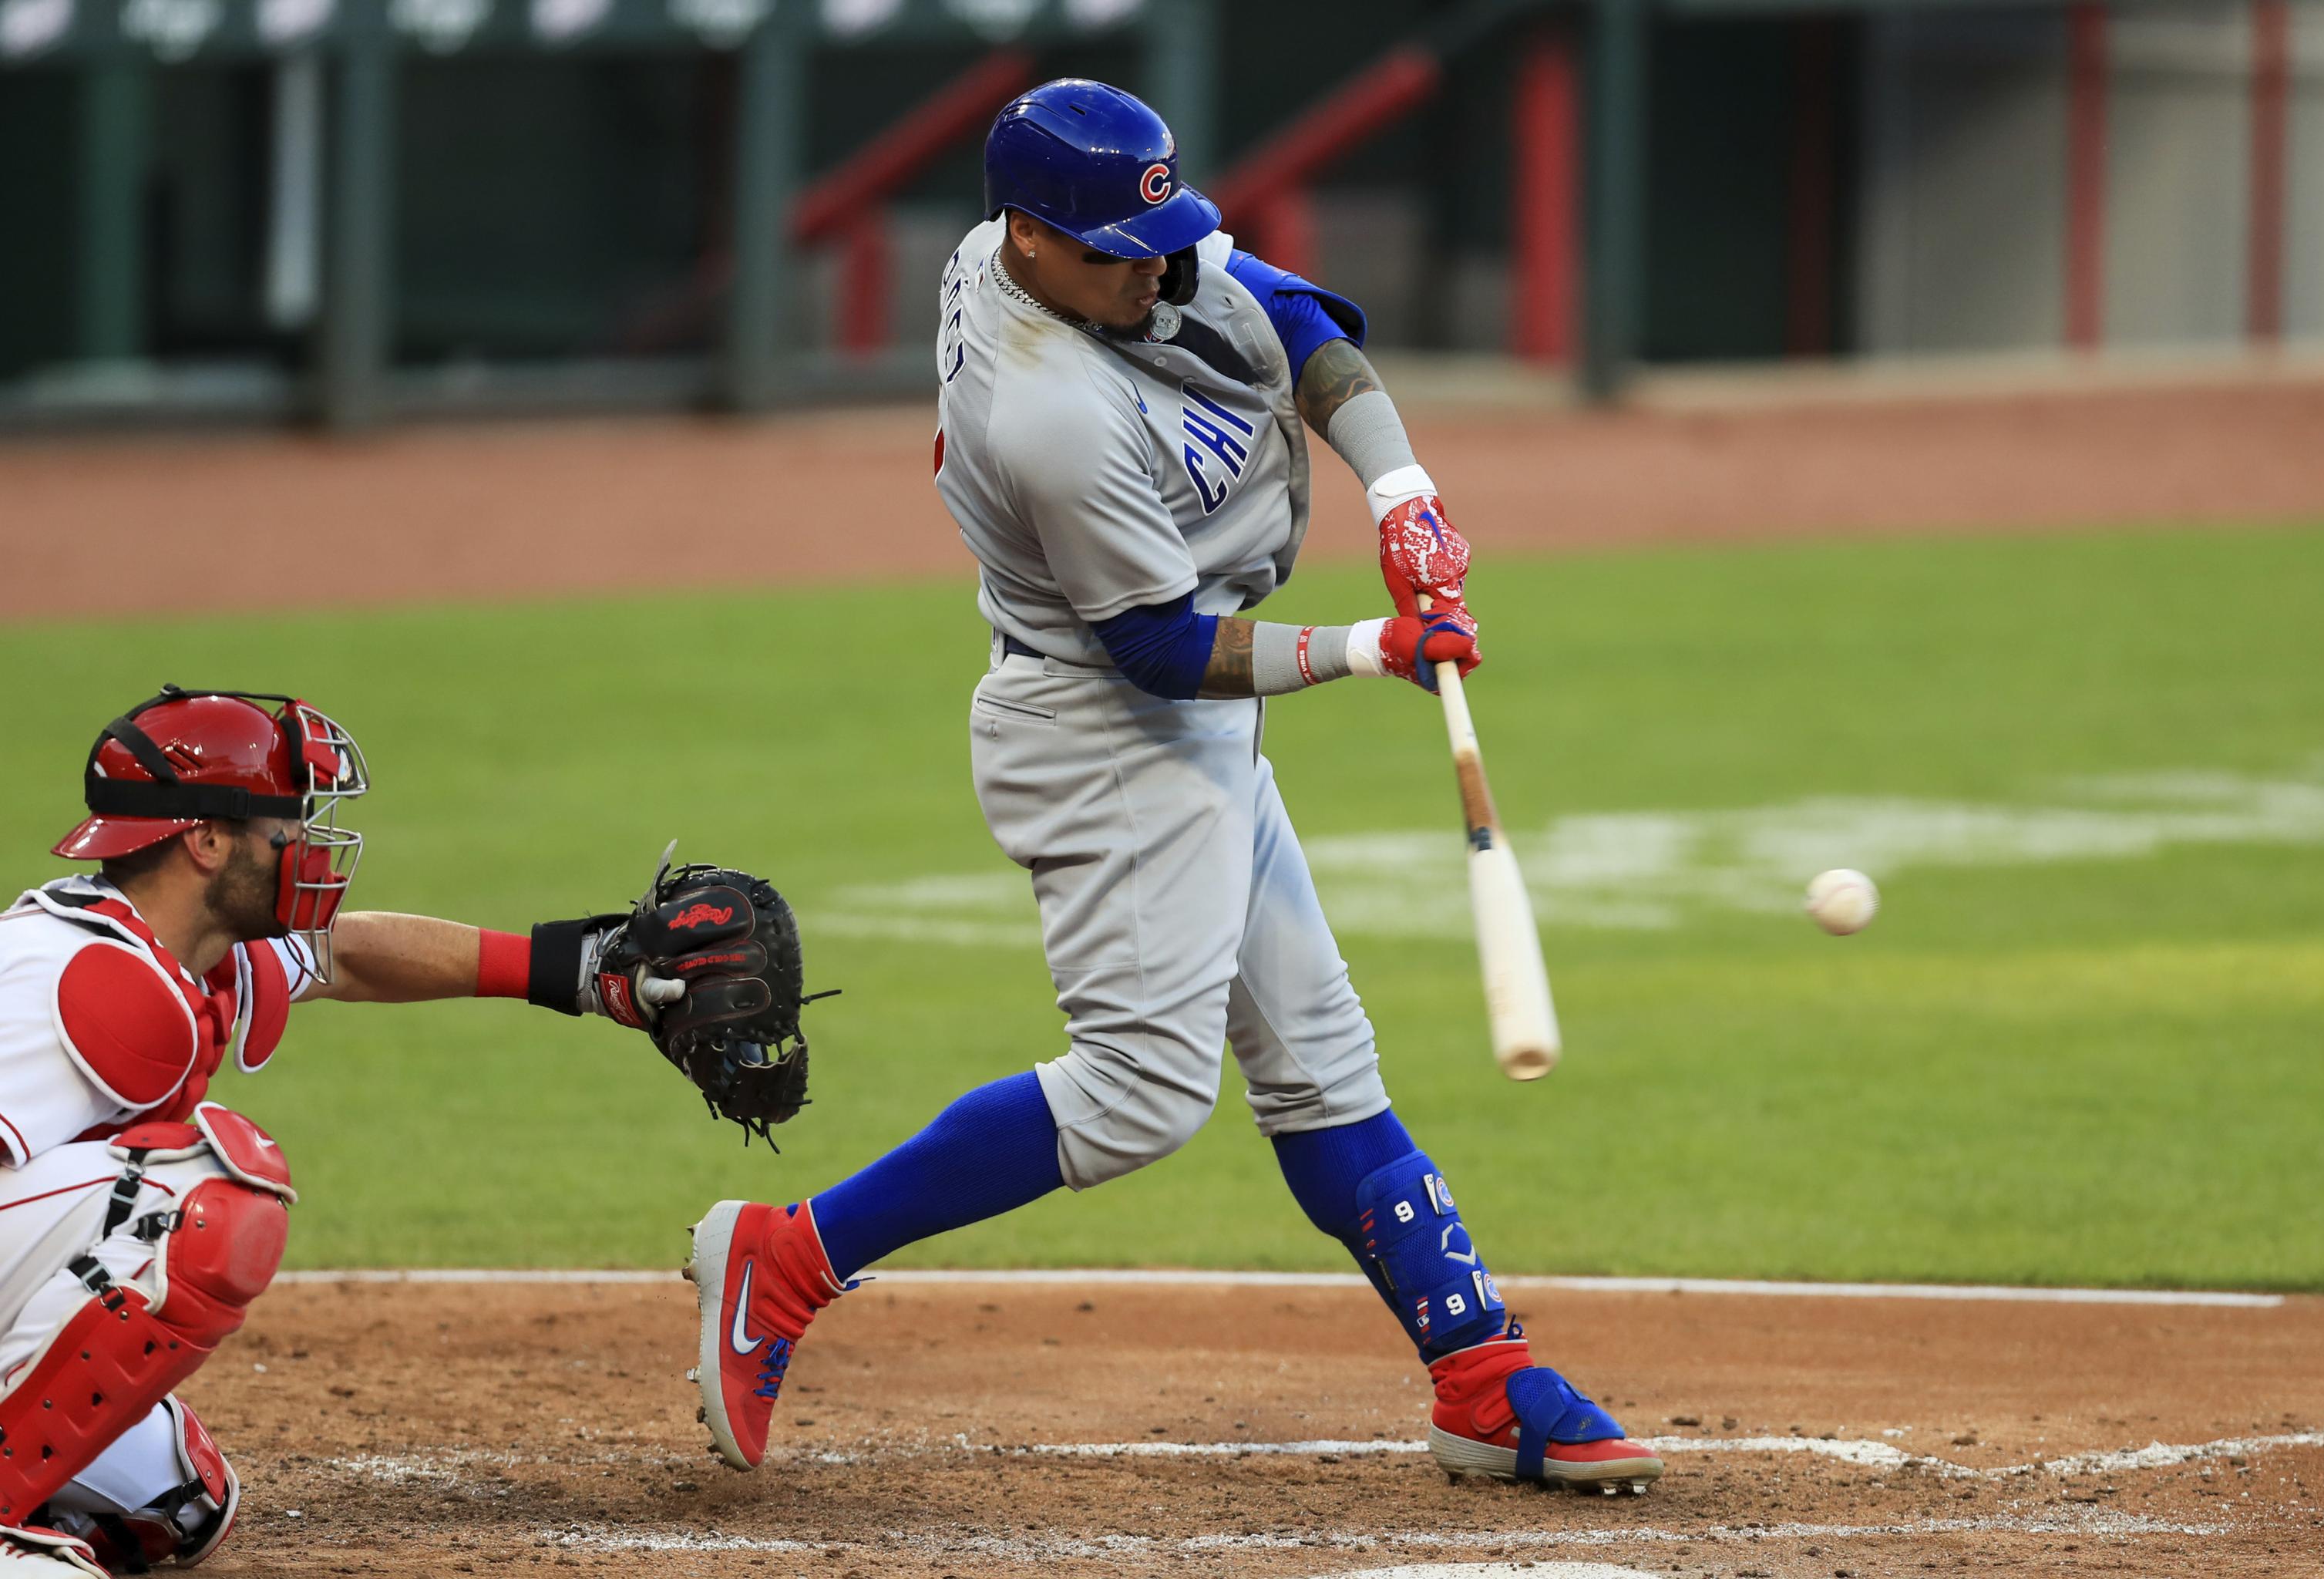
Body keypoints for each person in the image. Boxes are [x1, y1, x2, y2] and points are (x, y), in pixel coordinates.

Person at [688, 79, 1662, 1495]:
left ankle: (1478, 1368)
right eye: (1116, 255)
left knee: (1320, 1057)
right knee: (1142, 1093)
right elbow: (1154, 650)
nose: (1155, 273)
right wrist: (1370, 645)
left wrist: (1402, 495)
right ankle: (784, 1259)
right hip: (1102, 727)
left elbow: (1301, 320)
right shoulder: (1044, 409)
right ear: (1025, 240)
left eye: (1161, 239)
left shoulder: (1106, 244)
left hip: (1180, 708)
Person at [0, 685, 708, 1574]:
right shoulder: (84, 981)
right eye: (285, 824)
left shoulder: (184, 952)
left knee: (183, 1503)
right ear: (207, 839)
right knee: (203, 1197)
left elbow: (342, 953)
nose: (306, 844)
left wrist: (579, 969)